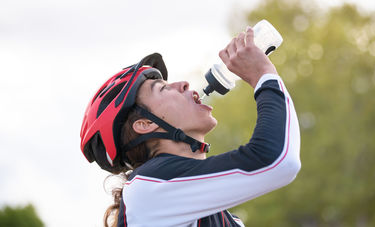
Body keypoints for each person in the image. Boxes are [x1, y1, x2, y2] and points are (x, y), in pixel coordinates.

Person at [80, 27, 301, 227]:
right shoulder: (149, 190)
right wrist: (263, 74)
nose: (183, 84)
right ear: (145, 124)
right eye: (163, 89)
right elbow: (277, 160)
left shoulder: (219, 215)